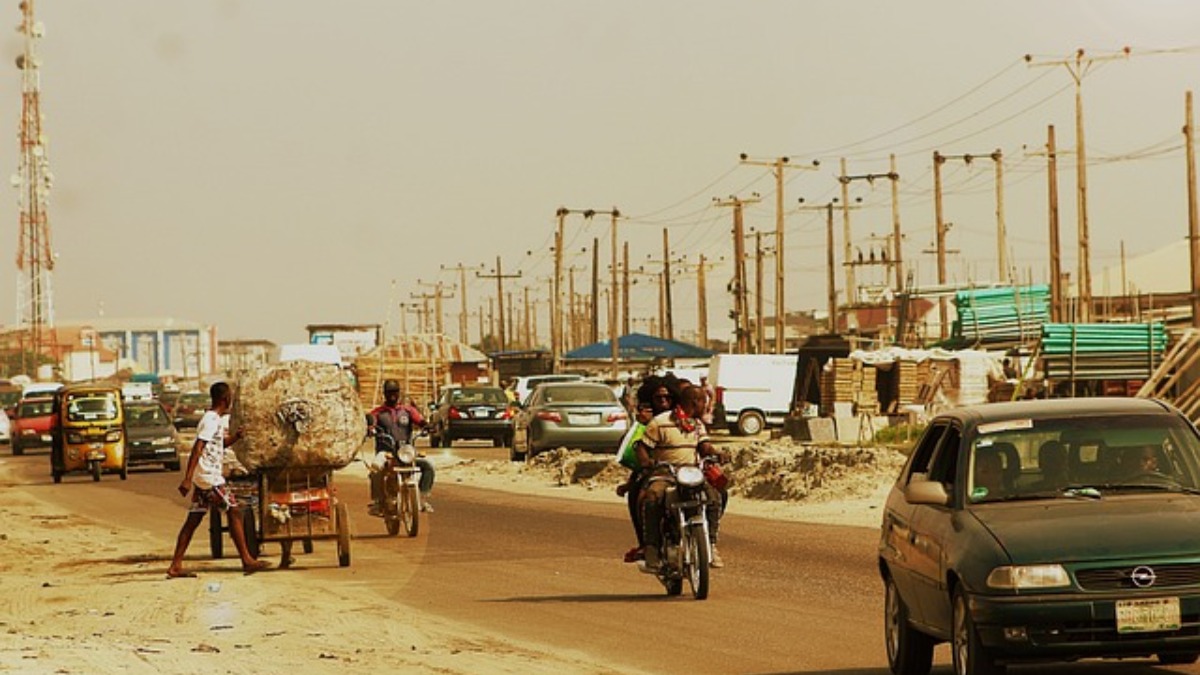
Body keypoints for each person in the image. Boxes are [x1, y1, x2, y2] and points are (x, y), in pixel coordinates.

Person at [166, 382, 270, 578]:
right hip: (209, 478)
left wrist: (236, 437)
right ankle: (247, 560)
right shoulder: (211, 420)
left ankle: (175, 565)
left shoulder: (215, 420)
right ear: (225, 399)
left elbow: (216, 445)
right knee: (234, 510)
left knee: (193, 520)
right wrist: (187, 479)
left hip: (204, 477)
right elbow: (198, 448)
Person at [638, 384, 728, 571]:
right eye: (704, 402)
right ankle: (652, 548)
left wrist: (716, 453)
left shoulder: (697, 425)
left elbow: (704, 446)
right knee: (653, 497)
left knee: (714, 497)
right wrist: (647, 462)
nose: (706, 406)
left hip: (691, 473)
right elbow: (642, 447)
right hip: (666, 473)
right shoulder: (660, 422)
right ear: (695, 402)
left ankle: (711, 544)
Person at [615, 375, 672, 564]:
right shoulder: (650, 422)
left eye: (667, 397)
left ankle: (709, 540)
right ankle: (647, 544)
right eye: (658, 398)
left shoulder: (684, 419)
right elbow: (639, 454)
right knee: (638, 495)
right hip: (658, 470)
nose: (663, 401)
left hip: (686, 469)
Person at [368, 380, 436, 514]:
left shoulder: (408, 411)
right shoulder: (378, 413)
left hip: (405, 452)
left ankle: (422, 498)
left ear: (399, 393)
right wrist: (370, 429)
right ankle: (377, 502)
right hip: (386, 453)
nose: (392, 395)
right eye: (389, 393)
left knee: (428, 466)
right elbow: (371, 423)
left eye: (395, 392)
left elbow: (420, 420)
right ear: (384, 394)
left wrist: (427, 426)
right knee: (375, 470)